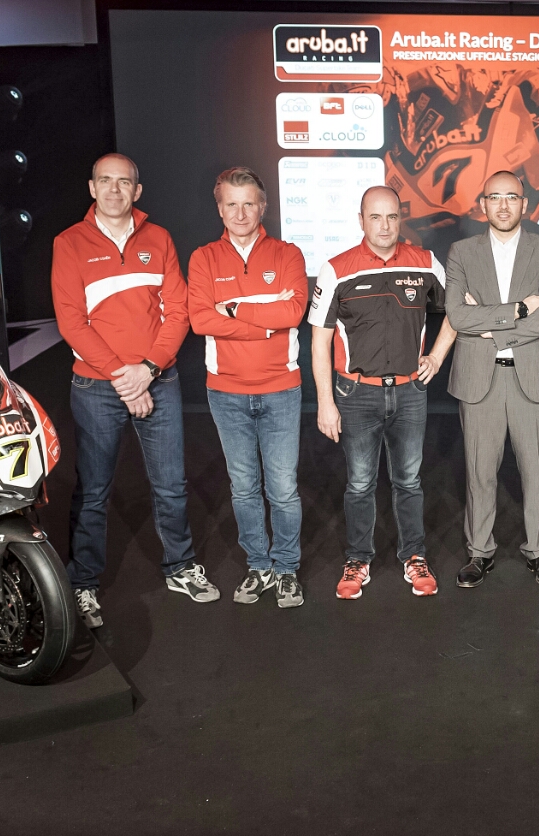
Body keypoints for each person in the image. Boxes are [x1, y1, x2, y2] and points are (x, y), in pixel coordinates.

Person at [51, 153, 218, 630]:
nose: (114, 189)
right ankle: (83, 583)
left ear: (137, 191)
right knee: (93, 491)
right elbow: (71, 322)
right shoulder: (69, 242)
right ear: (92, 187)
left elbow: (178, 312)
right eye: (105, 181)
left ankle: (180, 567)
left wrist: (147, 369)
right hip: (97, 386)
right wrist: (124, 378)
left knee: (171, 484)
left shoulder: (158, 238)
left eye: (123, 182)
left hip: (157, 380)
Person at [310, 185, 459, 599]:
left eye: (392, 216)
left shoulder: (425, 262)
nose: (385, 225)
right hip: (356, 394)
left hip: (410, 392)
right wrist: (325, 402)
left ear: (400, 218)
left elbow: (458, 311)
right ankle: (358, 559)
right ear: (361, 221)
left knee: (409, 480)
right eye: (375, 217)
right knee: (360, 483)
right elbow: (320, 342)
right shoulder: (337, 269)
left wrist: (436, 356)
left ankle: (414, 556)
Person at [185, 167, 309, 608]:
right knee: (243, 488)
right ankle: (259, 565)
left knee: (283, 489)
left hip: (281, 389)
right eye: (231, 205)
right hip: (226, 392)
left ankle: (287, 568)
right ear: (220, 209)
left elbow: (293, 313)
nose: (240, 214)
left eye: (249, 204)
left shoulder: (288, 254)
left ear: (263, 207)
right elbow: (200, 320)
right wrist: (264, 323)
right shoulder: (203, 258)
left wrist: (234, 309)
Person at [447, 171, 539, 589]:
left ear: (525, 204)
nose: (503, 206)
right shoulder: (462, 252)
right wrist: (518, 310)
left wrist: (490, 328)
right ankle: (479, 551)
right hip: (478, 379)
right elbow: (457, 316)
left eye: (512, 197)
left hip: (533, 376)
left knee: (536, 470)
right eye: (495, 198)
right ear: (482, 204)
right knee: (479, 471)